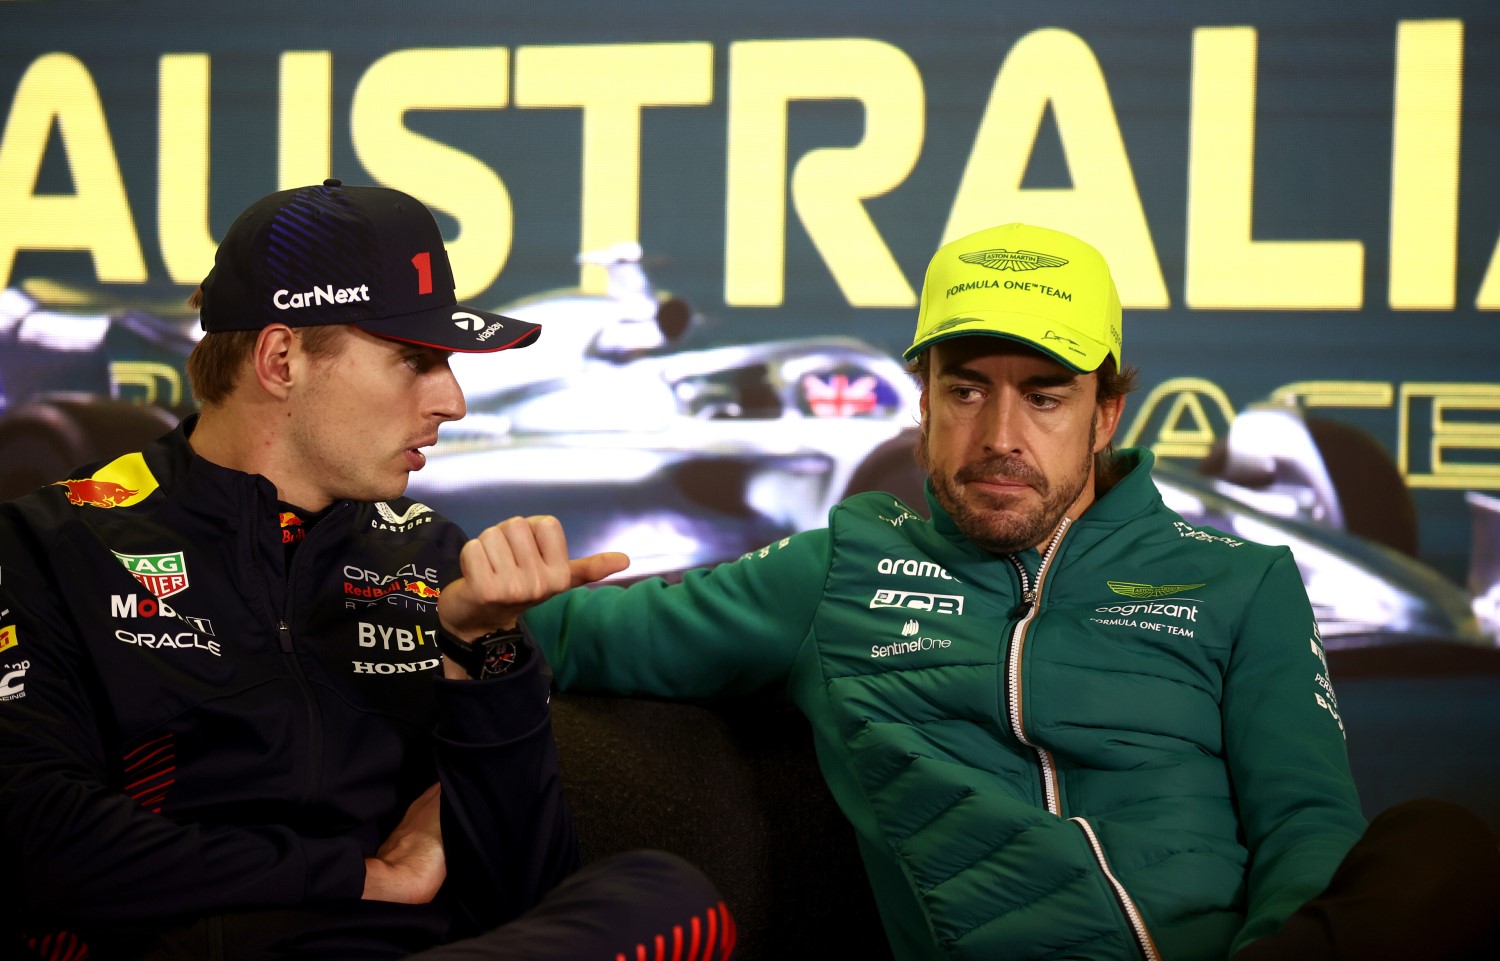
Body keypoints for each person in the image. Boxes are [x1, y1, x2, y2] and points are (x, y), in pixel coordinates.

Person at [520, 223, 1500, 960]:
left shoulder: (1242, 580)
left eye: (1044, 394)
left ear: (1106, 410)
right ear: (925, 402)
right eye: (967, 388)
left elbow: (1305, 822)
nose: (999, 436)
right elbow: (572, 635)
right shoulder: (834, 569)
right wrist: (474, 610)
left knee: (1440, 848)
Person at [0, 179, 736, 961]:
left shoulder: (430, 559)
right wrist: (359, 877)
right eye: (414, 360)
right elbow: (32, 834)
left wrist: (485, 656)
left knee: (667, 900)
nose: (452, 400)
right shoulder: (53, 541)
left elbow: (520, 893)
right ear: (281, 359)